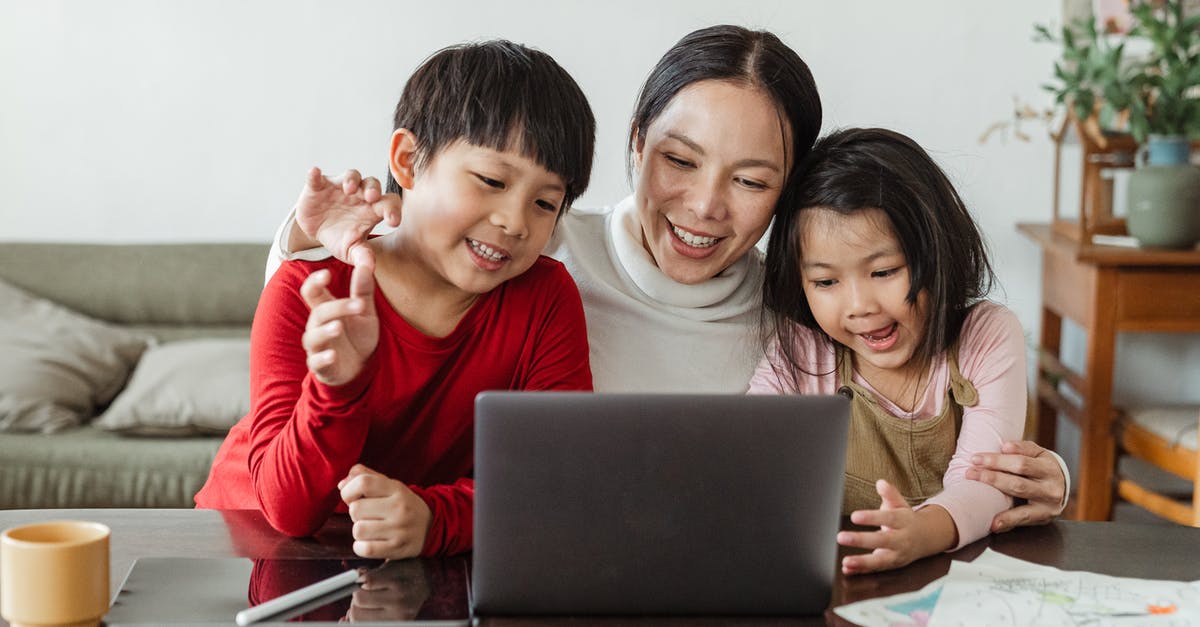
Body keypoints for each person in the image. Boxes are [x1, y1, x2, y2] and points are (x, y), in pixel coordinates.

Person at [266, 25, 1068, 535]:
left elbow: (894, 426)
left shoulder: (807, 315)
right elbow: (353, 301)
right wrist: (304, 237)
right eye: (679, 161)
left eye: (752, 182)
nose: (706, 207)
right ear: (637, 140)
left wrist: (1030, 479)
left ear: (789, 194)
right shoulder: (535, 251)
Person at [194, 39, 597, 559]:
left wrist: (435, 519)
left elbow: (558, 482)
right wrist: (336, 388)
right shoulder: (305, 290)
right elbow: (287, 510)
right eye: (492, 180)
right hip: (251, 541)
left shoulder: (545, 296)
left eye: (545, 203)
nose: (515, 222)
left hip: (409, 552)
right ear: (408, 162)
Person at [751, 127, 1039, 574]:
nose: (860, 306)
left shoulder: (985, 336)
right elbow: (747, 455)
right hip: (845, 575)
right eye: (826, 282)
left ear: (936, 248)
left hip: (971, 577)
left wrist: (922, 533)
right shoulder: (802, 351)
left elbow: (985, 482)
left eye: (884, 271)